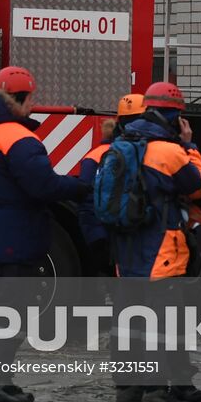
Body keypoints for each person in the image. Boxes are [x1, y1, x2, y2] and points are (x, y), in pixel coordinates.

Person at [0, 66, 89, 402]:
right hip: (14, 238)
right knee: (12, 312)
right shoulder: (18, 138)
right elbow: (43, 186)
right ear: (17, 99)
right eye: (31, 99)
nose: (33, 106)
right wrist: (82, 187)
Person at [103, 82, 201, 402]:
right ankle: (155, 392)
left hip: (127, 252)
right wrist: (190, 146)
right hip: (161, 254)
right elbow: (199, 187)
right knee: (161, 325)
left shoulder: (121, 145)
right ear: (176, 117)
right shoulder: (169, 152)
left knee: (128, 323)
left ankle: (128, 392)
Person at [75, 93, 147, 271]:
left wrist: (95, 236)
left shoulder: (94, 156)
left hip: (103, 234)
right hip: (133, 235)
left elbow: (85, 198)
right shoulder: (145, 152)